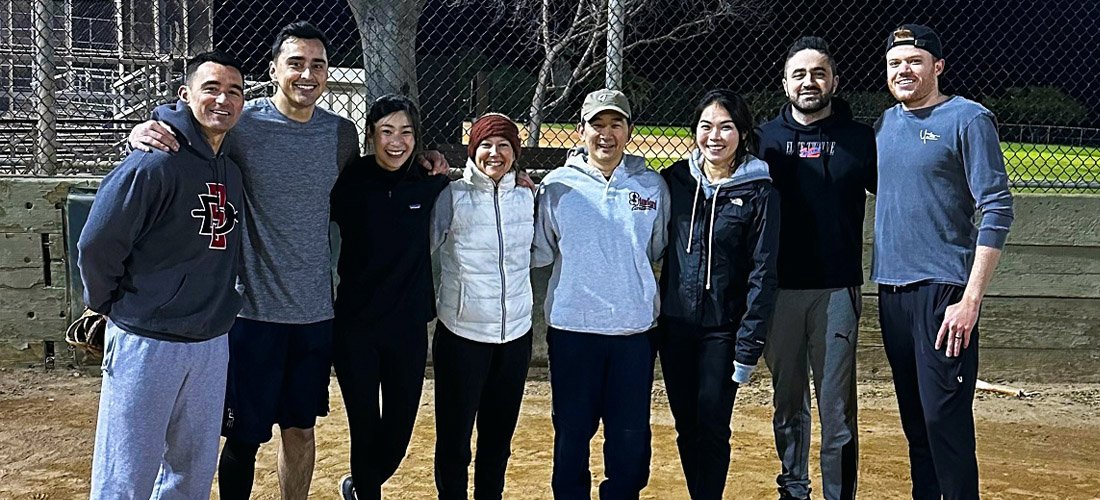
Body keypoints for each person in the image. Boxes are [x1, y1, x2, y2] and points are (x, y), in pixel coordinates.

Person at [127, 21, 448, 500]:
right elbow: (194, 129)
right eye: (296, 63)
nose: (307, 73)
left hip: (316, 314)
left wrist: (429, 163)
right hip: (252, 313)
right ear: (274, 68)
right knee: (243, 435)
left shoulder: (339, 134)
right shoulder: (244, 124)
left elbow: (378, 175)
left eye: (317, 64)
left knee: (300, 430)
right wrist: (145, 127)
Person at [79, 51, 246, 499]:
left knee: (191, 472)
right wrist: (109, 305)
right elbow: (96, 244)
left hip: (210, 341)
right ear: (185, 95)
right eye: (211, 88)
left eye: (234, 91)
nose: (223, 99)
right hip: (147, 340)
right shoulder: (154, 162)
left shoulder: (230, 167)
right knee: (126, 471)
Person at [874, 24, 1014, 500]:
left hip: (944, 293)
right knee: (916, 421)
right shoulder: (886, 123)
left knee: (943, 422)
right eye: (895, 63)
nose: (904, 70)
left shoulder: (968, 118)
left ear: (938, 66)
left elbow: (996, 206)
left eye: (915, 61)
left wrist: (970, 299)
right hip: (892, 292)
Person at [532, 88, 669, 499]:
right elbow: (542, 248)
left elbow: (655, 247)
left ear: (629, 130)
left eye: (616, 124)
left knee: (629, 438)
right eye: (597, 124)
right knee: (572, 432)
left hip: (633, 334)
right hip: (574, 330)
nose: (605, 134)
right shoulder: (556, 186)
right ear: (581, 130)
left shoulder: (652, 186)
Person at [756, 36, 876, 500]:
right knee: (788, 402)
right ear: (785, 83)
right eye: (799, 74)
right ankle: (794, 487)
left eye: (819, 73)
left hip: (837, 292)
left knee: (836, 408)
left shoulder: (862, 141)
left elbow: (901, 192)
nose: (810, 82)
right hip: (779, 292)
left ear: (834, 81)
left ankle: (837, 494)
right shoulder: (763, 140)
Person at [658, 89, 780, 500]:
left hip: (722, 330)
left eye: (726, 127)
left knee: (711, 423)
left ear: (742, 133)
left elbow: (764, 273)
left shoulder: (760, 190)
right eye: (706, 126)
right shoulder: (674, 180)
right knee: (685, 425)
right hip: (675, 327)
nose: (715, 136)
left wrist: (749, 344)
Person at [331, 94, 451, 500]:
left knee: (398, 431)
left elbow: (481, 183)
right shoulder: (349, 182)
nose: (396, 141)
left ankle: (361, 483)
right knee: (364, 425)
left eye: (406, 132)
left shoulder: (429, 181)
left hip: (407, 325)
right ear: (371, 135)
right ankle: (366, 492)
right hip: (355, 326)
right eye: (386, 131)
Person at [429, 113, 535, 500]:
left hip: (516, 338)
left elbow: (537, 254)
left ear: (515, 153)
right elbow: (423, 246)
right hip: (463, 335)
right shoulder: (452, 195)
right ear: (473, 150)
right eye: (486, 145)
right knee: (454, 441)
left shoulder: (528, 196)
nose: (495, 153)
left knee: (498, 440)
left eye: (504, 145)